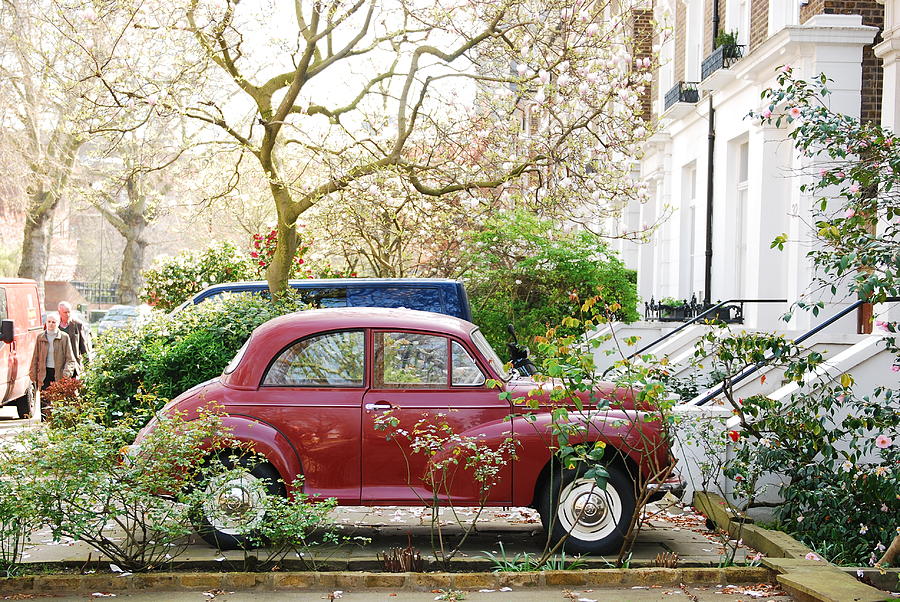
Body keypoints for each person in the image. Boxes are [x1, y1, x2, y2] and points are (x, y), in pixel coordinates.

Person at [30, 312, 76, 391]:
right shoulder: (40, 337)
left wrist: (66, 373)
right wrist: (33, 374)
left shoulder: (64, 337)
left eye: (53, 322)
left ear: (58, 323)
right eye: (49, 321)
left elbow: (70, 359)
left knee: (57, 400)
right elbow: (35, 357)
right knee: (44, 400)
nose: (51, 324)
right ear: (46, 323)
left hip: (59, 374)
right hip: (44, 374)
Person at [58, 301, 92, 378]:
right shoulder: (54, 325)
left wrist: (87, 364)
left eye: (69, 312)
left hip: (73, 364)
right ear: (59, 312)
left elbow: (83, 346)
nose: (68, 315)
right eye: (65, 312)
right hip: (57, 365)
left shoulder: (77, 325)